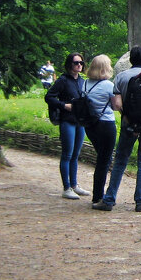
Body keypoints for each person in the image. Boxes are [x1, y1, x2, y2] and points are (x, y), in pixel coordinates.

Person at [93, 45, 141, 212]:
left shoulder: (121, 77)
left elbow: (116, 104)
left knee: (120, 161)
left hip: (128, 125)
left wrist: (129, 119)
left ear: (130, 60)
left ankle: (108, 200)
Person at [44, 53, 89, 200]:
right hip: (67, 121)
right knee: (67, 154)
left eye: (81, 63)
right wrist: (64, 105)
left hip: (79, 121)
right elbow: (49, 97)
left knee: (76, 155)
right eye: (76, 63)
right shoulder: (63, 81)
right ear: (69, 64)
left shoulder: (82, 81)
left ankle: (74, 185)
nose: (79, 65)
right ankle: (66, 187)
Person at [82, 54, 117, 207]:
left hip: (90, 125)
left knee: (102, 158)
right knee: (104, 161)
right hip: (106, 124)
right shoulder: (109, 86)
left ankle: (98, 194)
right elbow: (115, 106)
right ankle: (98, 196)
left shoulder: (84, 84)